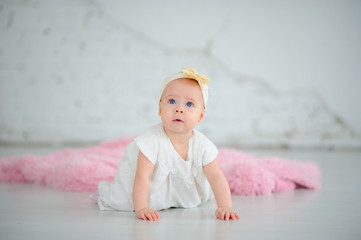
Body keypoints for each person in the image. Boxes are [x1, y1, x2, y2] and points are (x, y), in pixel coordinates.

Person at [98, 67, 240, 221]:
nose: (179, 109)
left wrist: (225, 206)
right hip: (151, 196)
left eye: (189, 104)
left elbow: (216, 177)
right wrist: (142, 207)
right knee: (123, 195)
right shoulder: (151, 141)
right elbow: (142, 177)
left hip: (187, 197)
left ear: (201, 115)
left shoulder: (202, 145)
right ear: (160, 108)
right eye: (172, 101)